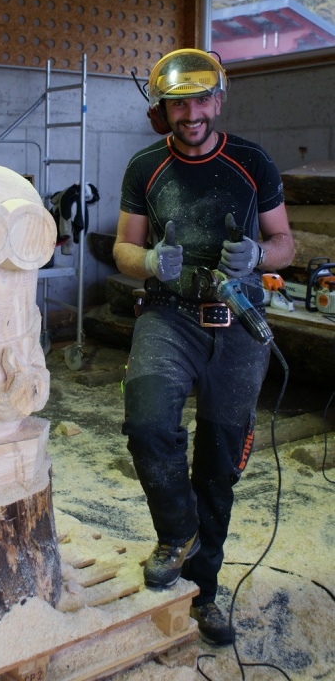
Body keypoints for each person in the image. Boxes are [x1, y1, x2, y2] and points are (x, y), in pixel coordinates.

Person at [113, 48, 295, 646]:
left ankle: (204, 593)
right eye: (177, 104)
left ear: (217, 101)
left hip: (237, 323)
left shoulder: (252, 161)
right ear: (162, 111)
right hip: (168, 316)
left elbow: (286, 241)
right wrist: (148, 262)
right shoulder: (145, 167)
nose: (190, 114)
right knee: (146, 424)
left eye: (199, 101)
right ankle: (176, 533)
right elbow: (123, 248)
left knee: (218, 467)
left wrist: (258, 256)